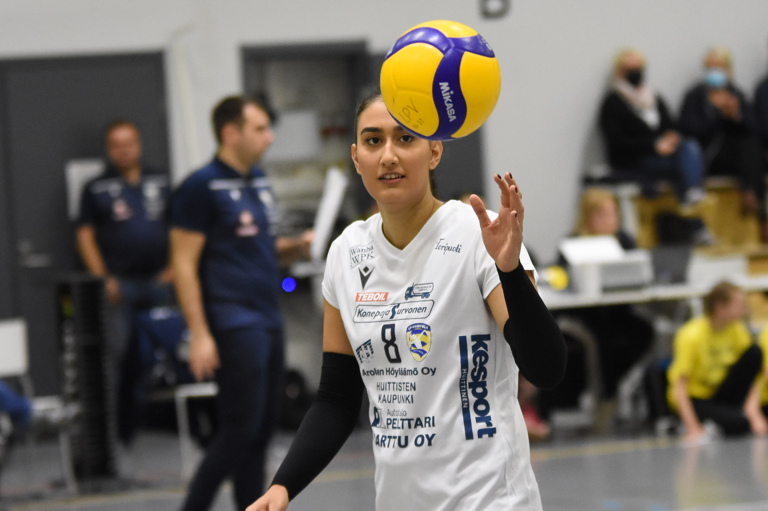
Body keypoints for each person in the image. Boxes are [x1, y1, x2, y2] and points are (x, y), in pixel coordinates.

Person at [248, 91, 567, 511]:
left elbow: (546, 369)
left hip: (489, 499)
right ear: (356, 157)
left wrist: (508, 270)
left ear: (434, 151)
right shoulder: (347, 252)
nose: (388, 156)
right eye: (373, 140)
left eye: (405, 138)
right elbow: (336, 400)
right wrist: (283, 485)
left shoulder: (478, 233)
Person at [169, 95, 313, 511]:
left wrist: (295, 247)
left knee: (261, 432)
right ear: (231, 133)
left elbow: (261, 247)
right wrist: (199, 334)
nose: (270, 138)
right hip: (233, 320)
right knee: (238, 430)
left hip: (268, 316)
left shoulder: (259, 182)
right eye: (260, 129)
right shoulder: (201, 186)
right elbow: (183, 264)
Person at [544, 187, 654, 429]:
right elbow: (559, 279)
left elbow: (638, 271)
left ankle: (612, 388)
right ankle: (605, 398)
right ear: (589, 216)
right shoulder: (572, 242)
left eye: (613, 213)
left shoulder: (624, 240)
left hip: (618, 311)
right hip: (585, 314)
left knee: (644, 331)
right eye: (603, 214)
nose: (610, 219)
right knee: (602, 339)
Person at [76, 120, 174, 365]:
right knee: (124, 352)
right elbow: (85, 235)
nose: (124, 150)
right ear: (109, 149)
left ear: (138, 144)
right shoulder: (96, 188)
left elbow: (178, 228)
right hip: (120, 285)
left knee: (167, 347)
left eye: (129, 143)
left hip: (160, 280)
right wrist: (103, 278)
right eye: (117, 145)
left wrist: (174, 268)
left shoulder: (160, 180)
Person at [598, 48, 706, 208]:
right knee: (683, 166)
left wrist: (671, 137)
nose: (636, 73)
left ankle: (692, 195)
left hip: (663, 154)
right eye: (630, 69)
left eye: (639, 68)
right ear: (619, 72)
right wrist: (654, 145)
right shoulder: (613, 102)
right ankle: (689, 199)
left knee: (690, 146)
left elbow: (671, 125)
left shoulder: (653, 97)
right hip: (633, 160)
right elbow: (617, 140)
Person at [679, 46, 766, 232]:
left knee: (751, 144)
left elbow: (754, 129)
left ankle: (750, 193)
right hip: (706, 157)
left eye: (719, 67)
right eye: (710, 67)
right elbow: (688, 130)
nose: (715, 72)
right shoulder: (695, 96)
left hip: (734, 158)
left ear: (728, 69)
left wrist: (736, 115)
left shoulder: (736, 94)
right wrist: (716, 114)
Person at [666, 281, 763, 443]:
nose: (744, 309)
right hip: (697, 398)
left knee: (754, 352)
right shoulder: (691, 335)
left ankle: (720, 420)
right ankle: (688, 422)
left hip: (721, 393)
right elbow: (679, 384)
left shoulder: (737, 330)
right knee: (739, 424)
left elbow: (751, 375)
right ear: (720, 307)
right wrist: (693, 427)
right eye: (739, 304)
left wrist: (754, 413)